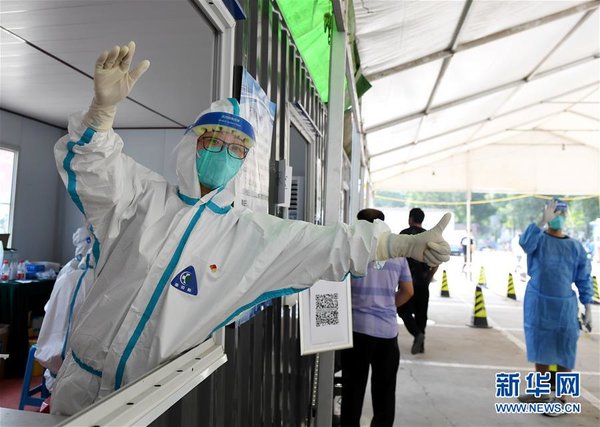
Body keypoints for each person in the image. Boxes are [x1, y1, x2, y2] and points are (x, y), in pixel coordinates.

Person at [50, 42, 451, 415]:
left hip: (153, 401)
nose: (225, 151)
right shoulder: (141, 196)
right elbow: (94, 167)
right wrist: (100, 115)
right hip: (78, 385)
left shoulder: (248, 236)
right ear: (192, 142)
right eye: (215, 138)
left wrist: (400, 244)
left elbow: (327, 244)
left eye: (238, 146)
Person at [518, 199, 593, 413]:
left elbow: (584, 278)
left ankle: (560, 399)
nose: (557, 216)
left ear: (566, 216)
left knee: (565, 350)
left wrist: (588, 306)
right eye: (553, 211)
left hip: (564, 307)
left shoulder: (575, 247)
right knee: (540, 347)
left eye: (561, 212)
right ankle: (542, 392)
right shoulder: (538, 240)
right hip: (538, 302)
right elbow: (524, 243)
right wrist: (541, 221)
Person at [340, 209, 413, 427]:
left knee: (353, 390)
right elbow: (408, 291)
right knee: (384, 393)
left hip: (356, 331)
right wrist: (389, 305)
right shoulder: (396, 252)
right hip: (387, 333)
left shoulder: (351, 250)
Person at [35, 225, 95, 393]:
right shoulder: (74, 274)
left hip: (63, 356)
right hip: (64, 359)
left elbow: (49, 308)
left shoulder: (72, 272)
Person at [397, 208, 438, 354]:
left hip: (405, 281)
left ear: (411, 218)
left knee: (402, 310)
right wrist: (429, 276)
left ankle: (416, 334)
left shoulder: (403, 234)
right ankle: (420, 344)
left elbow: (397, 257)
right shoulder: (430, 237)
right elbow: (436, 261)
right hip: (423, 281)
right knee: (422, 314)